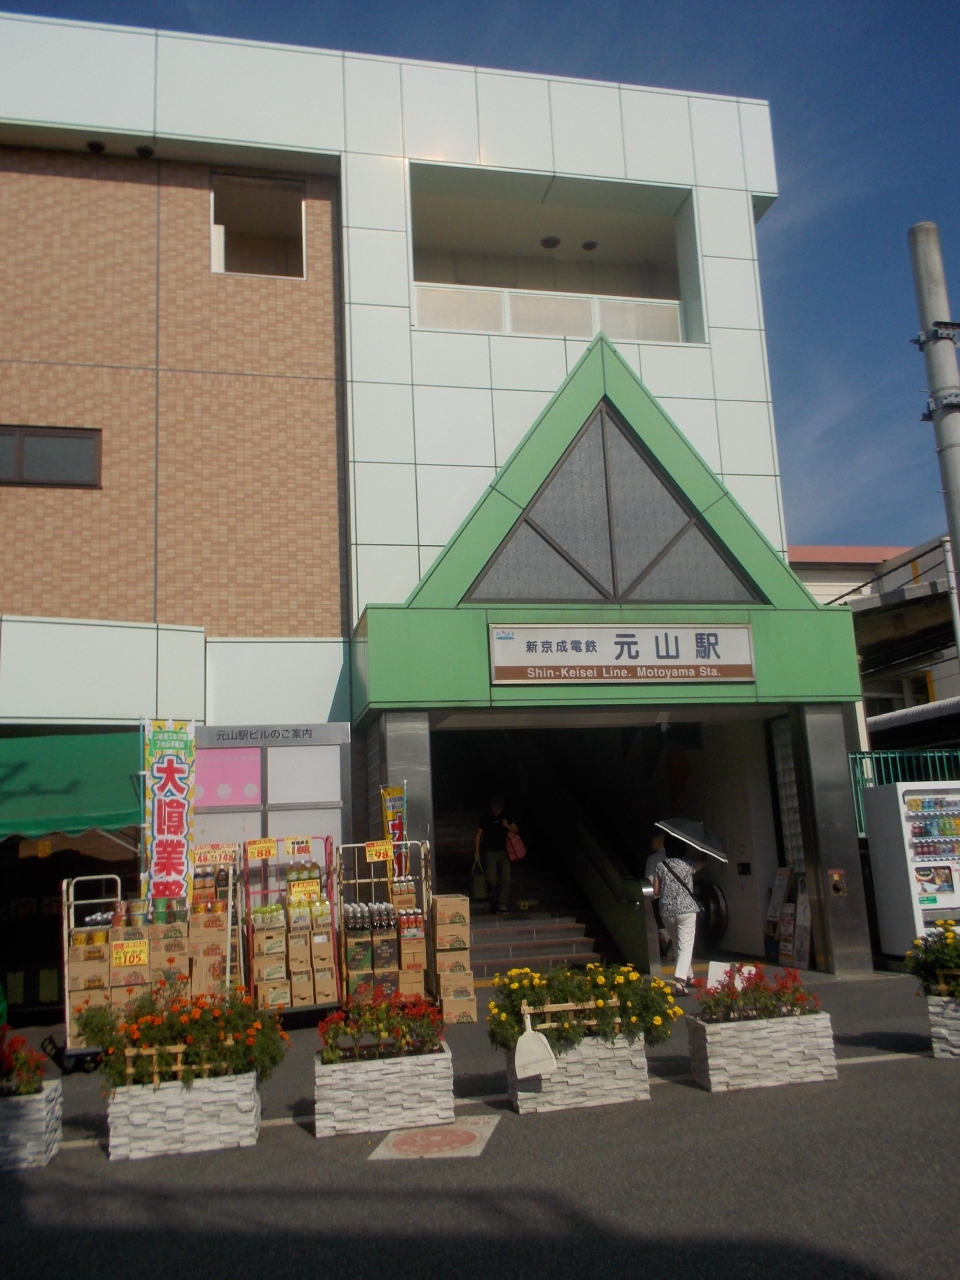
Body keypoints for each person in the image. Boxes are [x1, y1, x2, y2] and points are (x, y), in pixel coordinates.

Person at [652, 832, 705, 994]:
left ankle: (689, 976)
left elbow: (656, 891)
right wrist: (702, 849)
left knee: (677, 944)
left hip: (667, 911)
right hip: (686, 910)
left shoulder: (660, 866)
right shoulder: (688, 864)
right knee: (686, 945)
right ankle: (680, 981)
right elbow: (703, 862)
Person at [475, 795, 518, 914]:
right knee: (491, 878)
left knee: (505, 878)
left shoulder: (505, 816)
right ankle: (494, 896)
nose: (497, 810)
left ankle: (502, 903)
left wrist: (507, 826)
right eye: (495, 807)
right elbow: (478, 834)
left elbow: (515, 829)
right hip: (489, 852)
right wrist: (477, 851)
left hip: (504, 852)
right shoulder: (486, 817)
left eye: (499, 808)